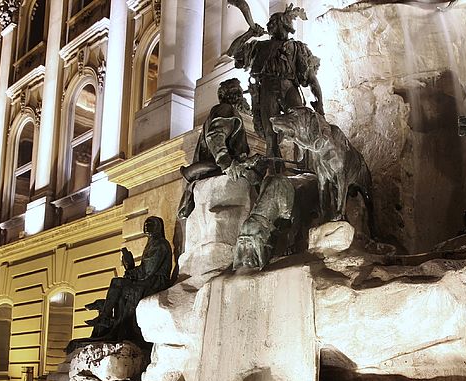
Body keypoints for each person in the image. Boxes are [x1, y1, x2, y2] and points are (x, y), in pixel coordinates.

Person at [226, 2, 324, 160]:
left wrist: (320, 104)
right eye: (269, 23)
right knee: (270, 135)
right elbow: (233, 52)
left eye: (272, 22)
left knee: (301, 127)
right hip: (267, 89)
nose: (268, 25)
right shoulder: (258, 47)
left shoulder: (297, 47)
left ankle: (305, 167)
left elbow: (311, 78)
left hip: (290, 86)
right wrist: (250, 33)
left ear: (283, 24)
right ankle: (275, 172)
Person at [82, 216, 173, 345]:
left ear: (158, 227)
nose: (147, 226)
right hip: (148, 279)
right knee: (120, 285)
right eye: (146, 223)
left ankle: (106, 318)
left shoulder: (161, 244)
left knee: (118, 283)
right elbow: (145, 270)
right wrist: (130, 268)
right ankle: (108, 320)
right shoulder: (152, 243)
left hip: (156, 282)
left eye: (151, 224)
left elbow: (148, 270)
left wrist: (130, 271)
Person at [177, 78, 255, 221]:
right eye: (234, 92)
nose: (239, 96)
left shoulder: (231, 112)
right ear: (225, 96)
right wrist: (226, 163)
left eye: (239, 92)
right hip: (219, 170)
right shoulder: (225, 109)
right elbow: (215, 135)